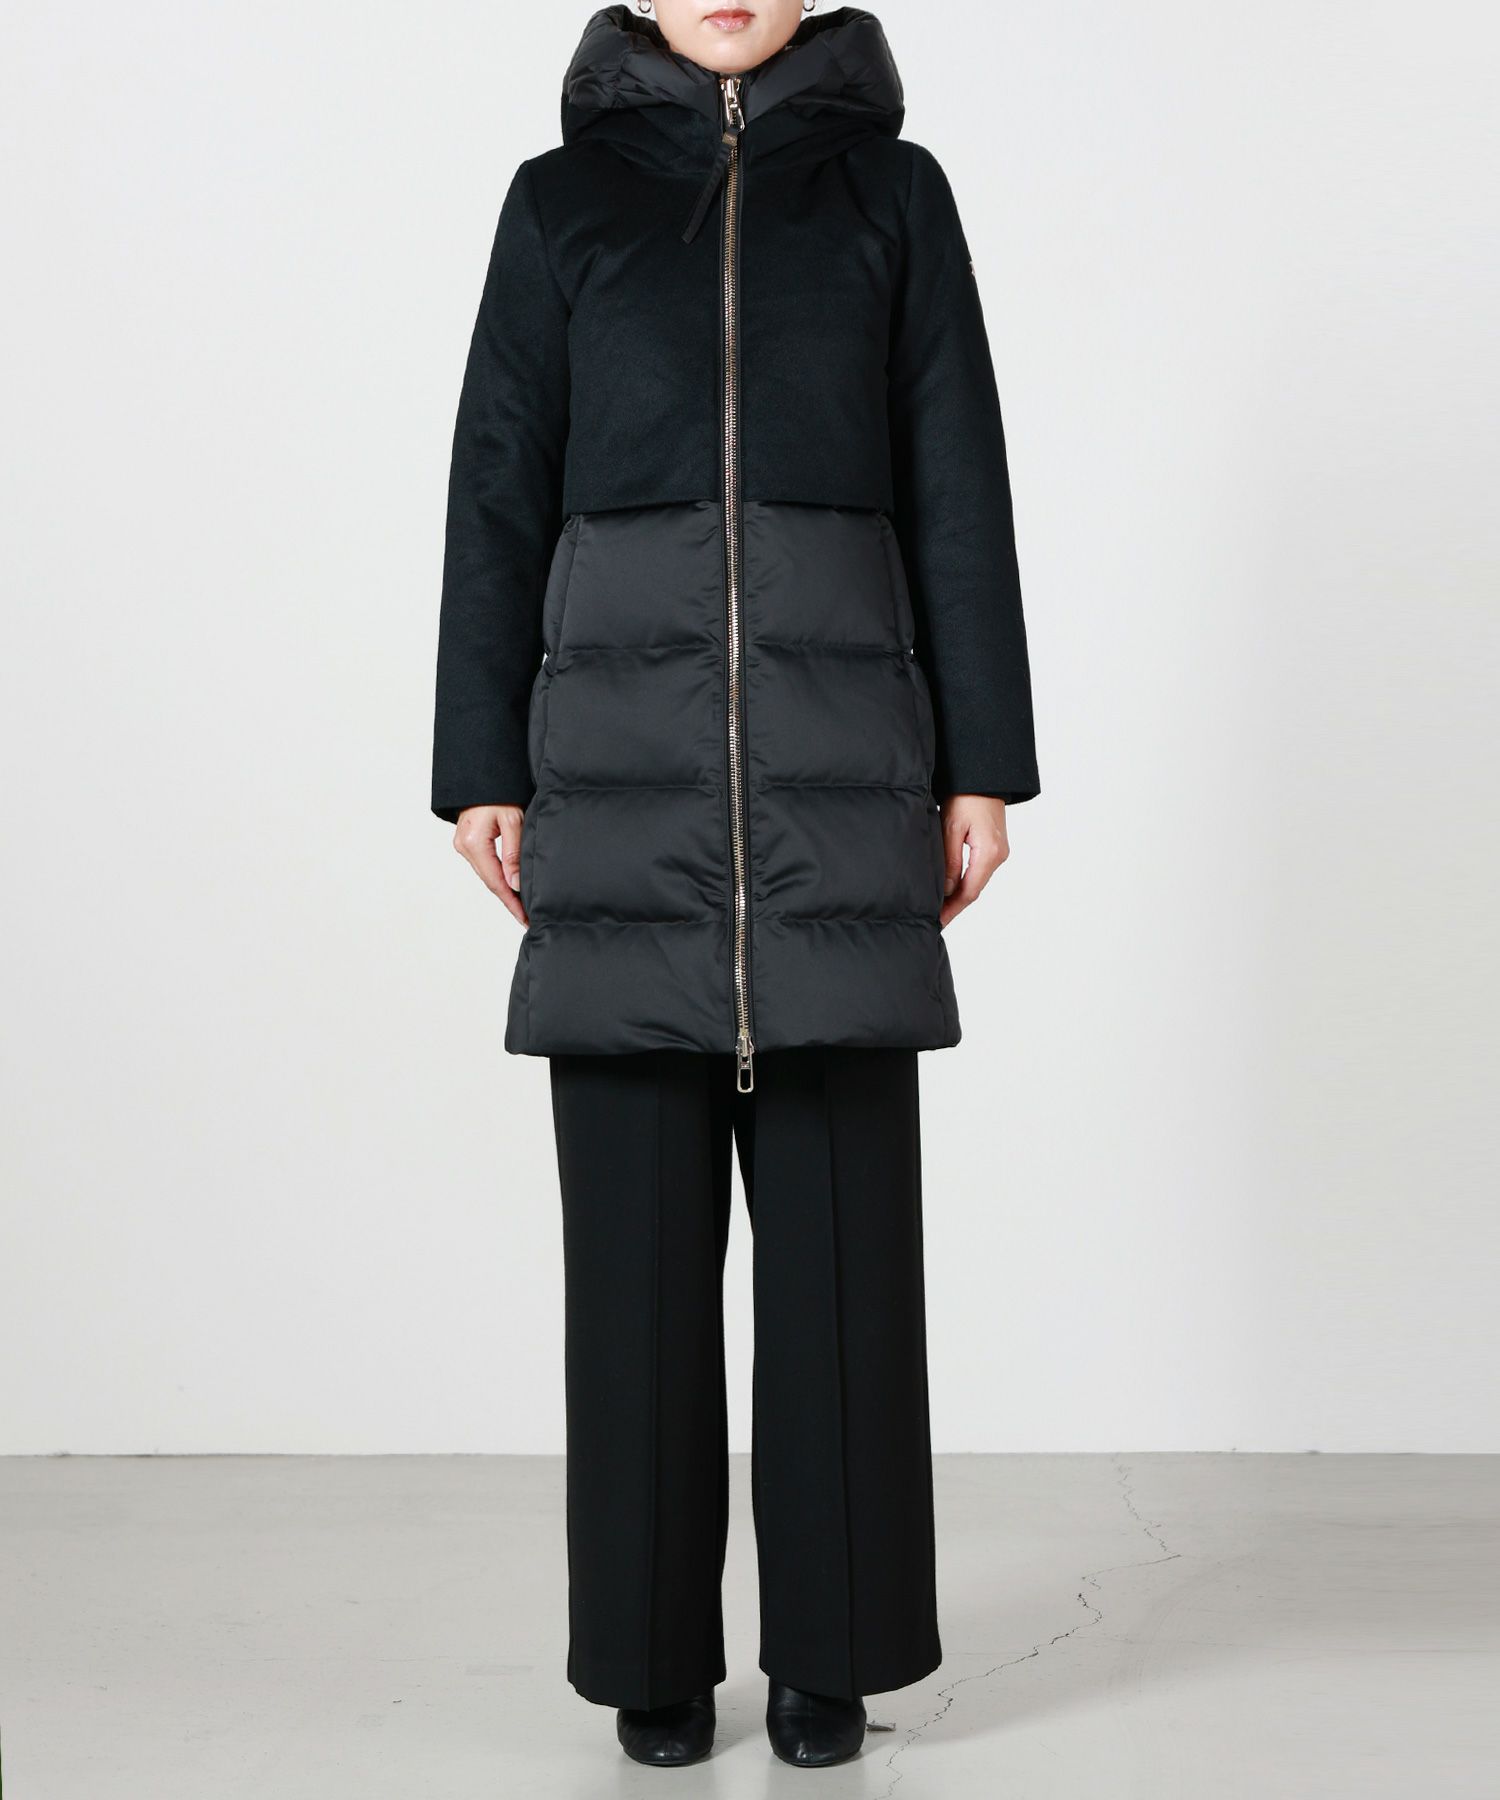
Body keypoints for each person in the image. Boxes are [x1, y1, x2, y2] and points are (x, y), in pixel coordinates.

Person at [431, 0, 1038, 1770]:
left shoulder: (894, 195)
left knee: (846, 1272)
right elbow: (496, 485)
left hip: (843, 795)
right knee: (632, 1273)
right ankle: (649, 1658)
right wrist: (478, 761)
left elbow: (957, 480)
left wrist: (983, 762)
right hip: (618, 791)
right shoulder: (558, 204)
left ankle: (834, 1657)